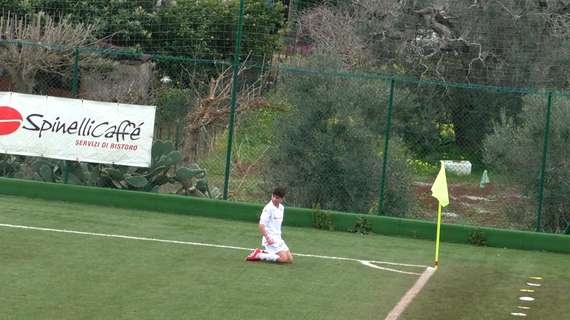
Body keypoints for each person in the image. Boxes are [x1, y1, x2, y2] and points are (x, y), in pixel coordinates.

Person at [245, 187, 293, 263]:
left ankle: (263, 252)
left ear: (281, 199)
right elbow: (261, 225)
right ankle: (259, 255)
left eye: (277, 198)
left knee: (290, 259)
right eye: (273, 196)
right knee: (283, 259)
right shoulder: (268, 208)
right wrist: (268, 238)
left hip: (278, 238)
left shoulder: (281, 208)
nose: (274, 199)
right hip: (270, 238)